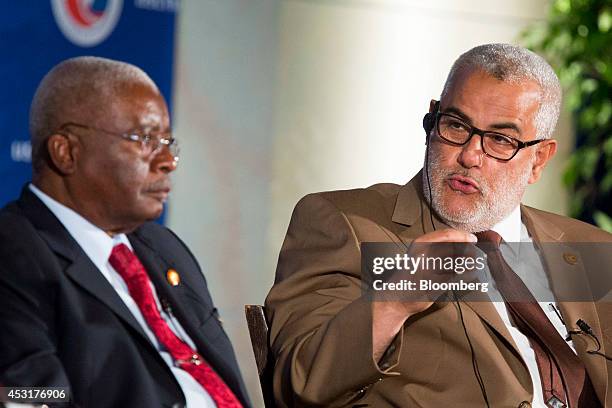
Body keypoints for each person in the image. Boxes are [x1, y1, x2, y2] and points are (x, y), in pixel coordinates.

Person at [265, 43, 612, 407]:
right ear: (432, 120)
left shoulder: (589, 247)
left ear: (539, 159)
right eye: (457, 125)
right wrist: (394, 302)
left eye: (500, 140)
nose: (469, 155)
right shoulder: (347, 223)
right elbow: (297, 383)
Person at [0, 57, 251, 408]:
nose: (167, 161)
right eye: (145, 139)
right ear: (66, 151)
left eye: (168, 141)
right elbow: (25, 395)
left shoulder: (165, 249)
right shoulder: (14, 253)